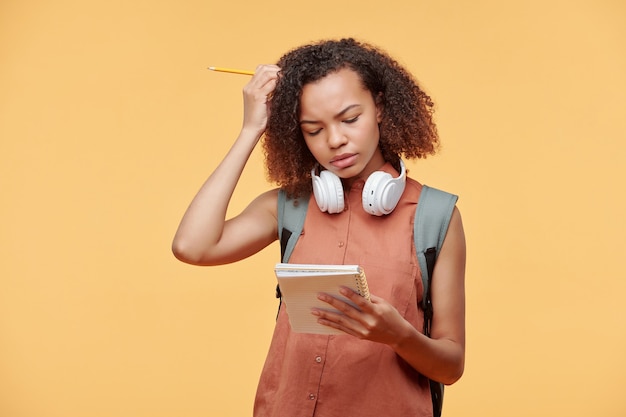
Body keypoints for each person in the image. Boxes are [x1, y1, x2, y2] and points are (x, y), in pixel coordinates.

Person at [172, 38, 466, 417]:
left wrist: (399, 336)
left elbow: (451, 365)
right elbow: (191, 247)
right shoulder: (288, 207)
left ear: (379, 106)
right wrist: (251, 129)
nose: (335, 140)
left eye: (350, 119)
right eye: (313, 129)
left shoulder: (435, 216)